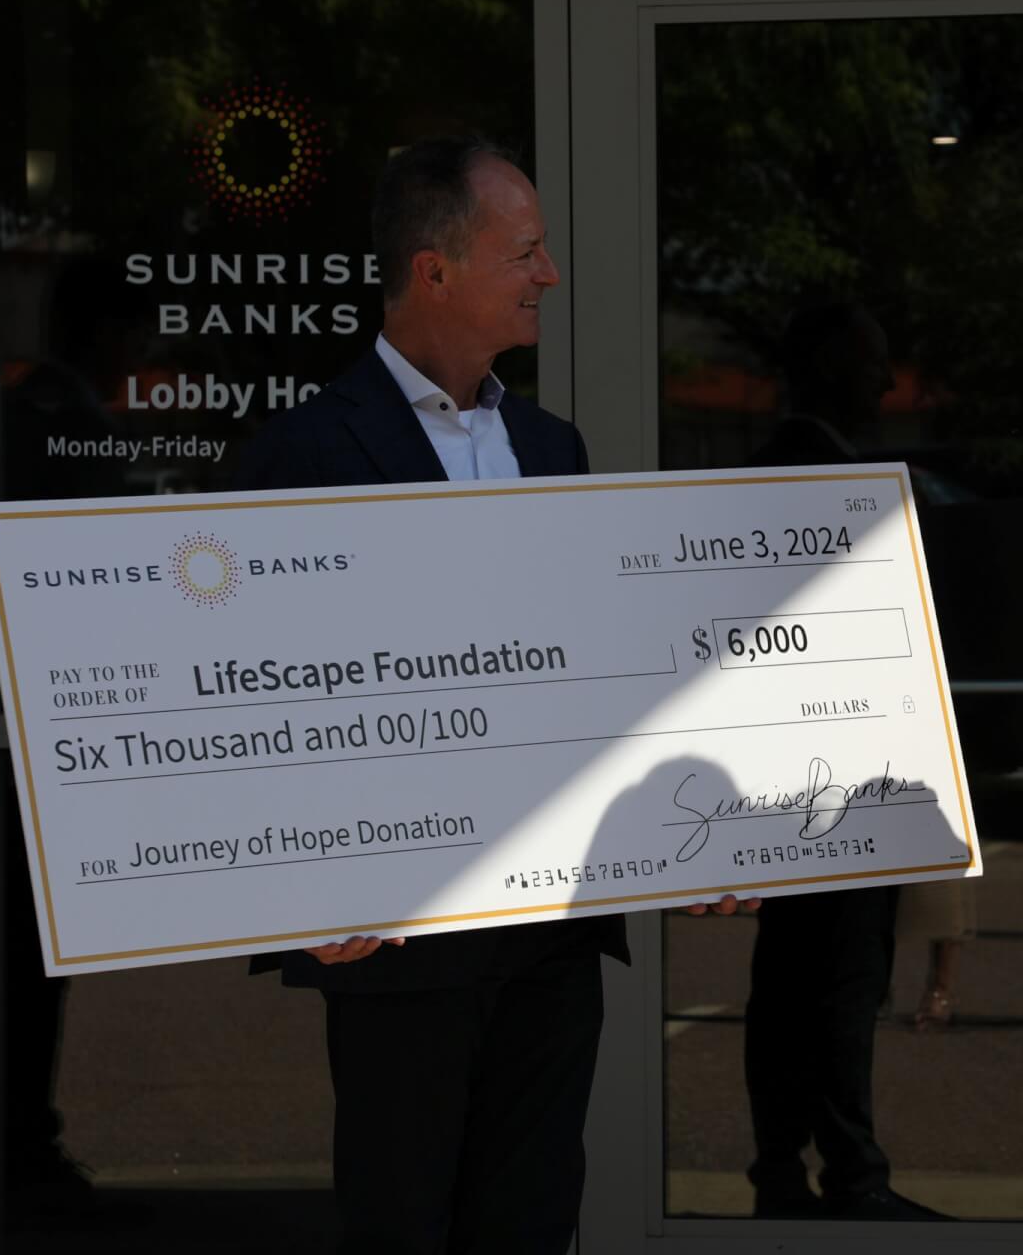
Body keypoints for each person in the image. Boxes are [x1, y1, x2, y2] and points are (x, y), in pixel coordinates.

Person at [241, 136, 756, 1253]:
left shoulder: (550, 445)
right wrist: (296, 882)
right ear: (435, 271)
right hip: (394, 944)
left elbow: (594, 679)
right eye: (525, 251)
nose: (549, 274)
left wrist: (681, 838)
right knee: (402, 1225)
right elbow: (250, 699)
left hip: (548, 941)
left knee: (529, 1226)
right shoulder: (302, 453)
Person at [739, 303, 945, 1221]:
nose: (883, 382)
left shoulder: (786, 464)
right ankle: (849, 1178)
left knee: (792, 980)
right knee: (834, 984)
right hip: (837, 772)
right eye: (867, 361)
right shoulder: (820, 471)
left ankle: (786, 1171)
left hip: (803, 771)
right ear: (819, 363)